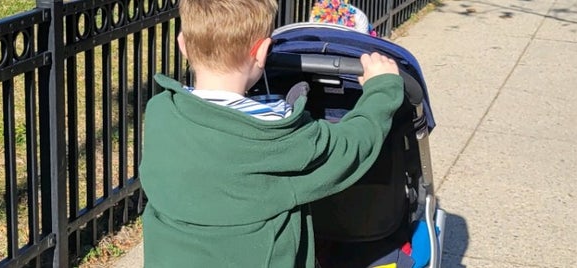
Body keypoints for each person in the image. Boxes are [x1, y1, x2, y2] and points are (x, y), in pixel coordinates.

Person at [138, 0, 404, 267]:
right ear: (262, 51)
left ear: (182, 44)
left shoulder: (161, 113)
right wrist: (382, 88)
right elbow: (351, 147)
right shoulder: (278, 134)